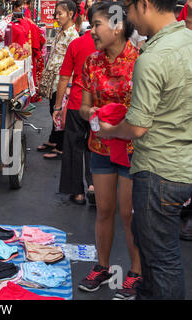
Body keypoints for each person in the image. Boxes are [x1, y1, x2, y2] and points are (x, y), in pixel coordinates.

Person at [98, 0, 192, 300]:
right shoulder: (187, 41)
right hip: (181, 166)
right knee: (159, 254)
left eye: (129, 8)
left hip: (157, 171)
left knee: (161, 259)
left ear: (145, 4)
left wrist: (111, 131)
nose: (127, 17)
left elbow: (137, 127)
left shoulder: (151, 58)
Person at [77, 1, 143, 300]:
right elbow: (83, 107)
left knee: (129, 214)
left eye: (97, 24)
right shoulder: (91, 61)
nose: (92, 31)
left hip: (133, 148)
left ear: (118, 26)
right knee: (104, 210)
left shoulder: (141, 60)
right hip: (101, 145)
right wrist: (95, 115)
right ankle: (102, 267)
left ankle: (136, 272)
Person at [54, 5, 97, 205]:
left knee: (73, 145)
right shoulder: (112, 43)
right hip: (101, 105)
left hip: (77, 103)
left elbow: (64, 78)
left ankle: (77, 193)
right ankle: (94, 185)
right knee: (96, 145)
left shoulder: (77, 43)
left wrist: (57, 106)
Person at [37, 0, 79, 160]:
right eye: (56, 13)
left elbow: (73, 62)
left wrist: (69, 84)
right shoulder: (61, 31)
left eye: (60, 13)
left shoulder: (73, 35)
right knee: (52, 110)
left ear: (70, 14)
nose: (56, 16)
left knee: (59, 112)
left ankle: (61, 147)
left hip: (62, 81)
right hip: (54, 79)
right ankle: (54, 140)